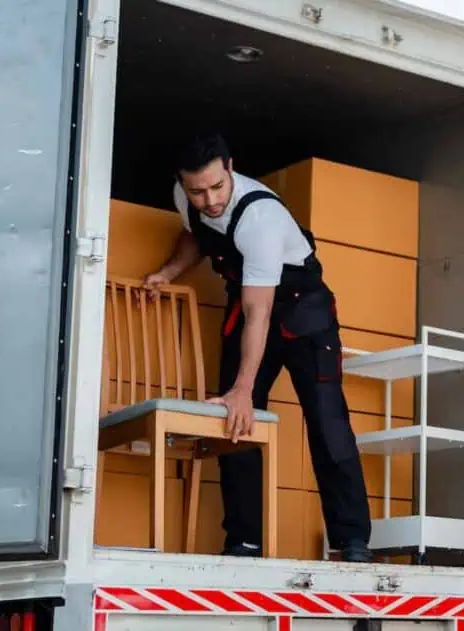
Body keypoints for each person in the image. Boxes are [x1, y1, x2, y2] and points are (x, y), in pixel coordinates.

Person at [143, 132, 373, 562]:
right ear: (182, 183)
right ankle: (244, 541)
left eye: (217, 186)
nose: (209, 199)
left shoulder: (259, 217)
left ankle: (351, 540)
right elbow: (195, 234)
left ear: (230, 167)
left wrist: (244, 388)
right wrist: (169, 272)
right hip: (249, 303)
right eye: (197, 191)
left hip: (303, 313)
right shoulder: (186, 196)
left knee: (327, 423)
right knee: (234, 422)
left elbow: (259, 312)